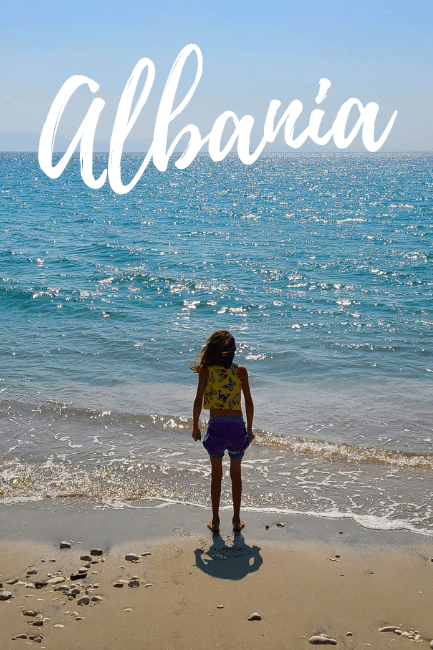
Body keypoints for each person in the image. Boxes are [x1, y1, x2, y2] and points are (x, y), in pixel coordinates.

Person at [190, 329, 255, 533]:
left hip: (216, 425)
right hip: (236, 426)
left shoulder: (206, 371)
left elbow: (198, 400)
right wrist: (250, 429)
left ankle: (216, 520)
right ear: (233, 351)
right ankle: (236, 519)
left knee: (216, 475)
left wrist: (195, 426)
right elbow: (249, 402)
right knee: (236, 474)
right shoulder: (240, 371)